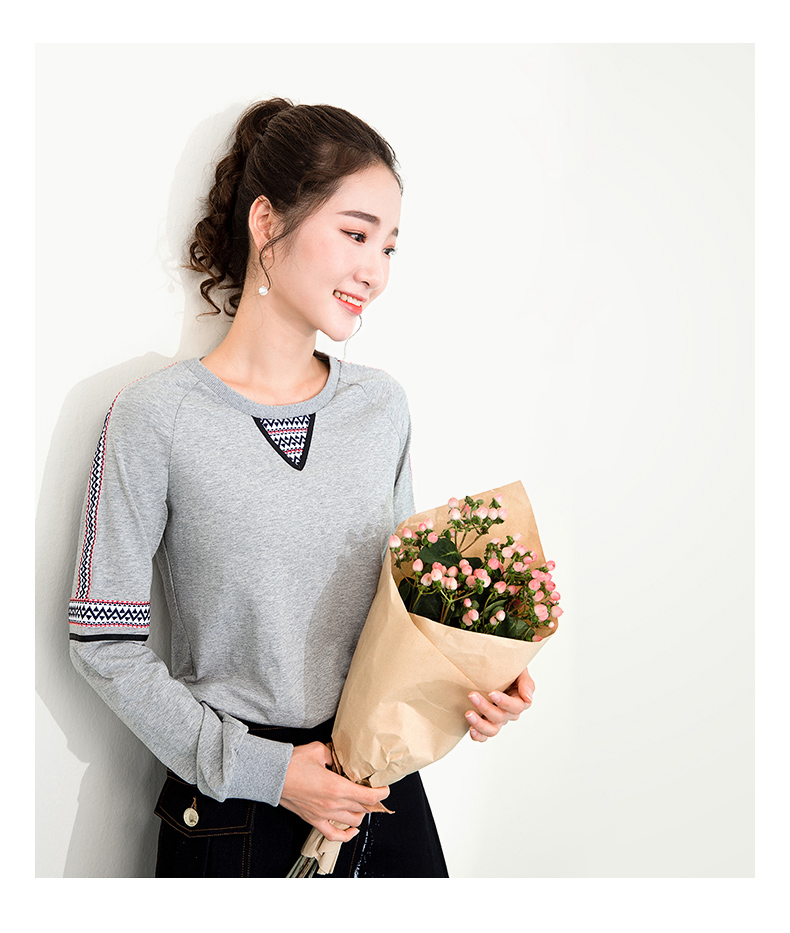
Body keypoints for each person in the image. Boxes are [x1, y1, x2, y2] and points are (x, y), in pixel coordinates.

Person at [68, 98, 536, 878]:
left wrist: (477, 679)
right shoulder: (155, 417)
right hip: (234, 815)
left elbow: (406, 611)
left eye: (389, 246)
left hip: (380, 796)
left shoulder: (381, 407)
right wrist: (271, 772)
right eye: (355, 234)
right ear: (266, 223)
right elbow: (103, 641)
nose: (375, 271)